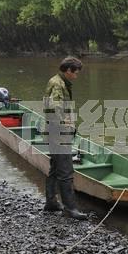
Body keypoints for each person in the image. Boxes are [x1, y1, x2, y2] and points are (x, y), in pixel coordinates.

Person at [43, 56, 88, 220]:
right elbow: (55, 109)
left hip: (53, 131)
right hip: (58, 133)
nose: (76, 76)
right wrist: (66, 125)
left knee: (55, 168)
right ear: (68, 70)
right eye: (75, 73)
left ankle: (51, 202)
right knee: (66, 171)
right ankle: (70, 208)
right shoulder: (57, 84)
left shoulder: (58, 81)